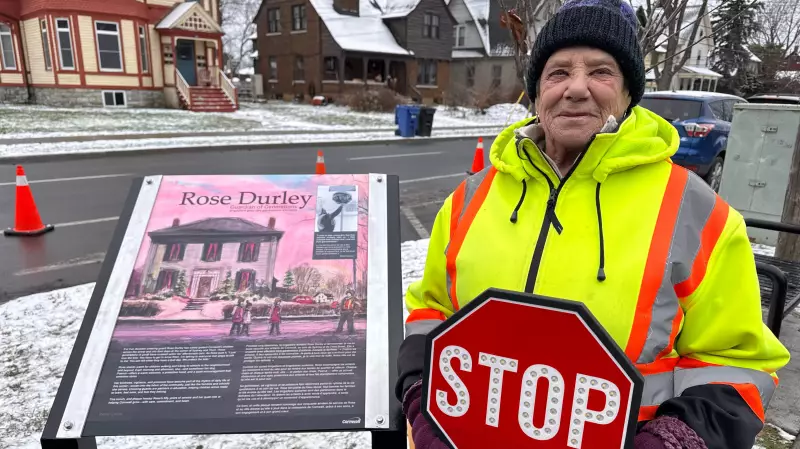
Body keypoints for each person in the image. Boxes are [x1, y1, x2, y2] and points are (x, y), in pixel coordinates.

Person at [396, 0, 790, 448]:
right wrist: (423, 402)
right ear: (537, 90)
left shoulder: (697, 214)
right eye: (558, 72)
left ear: (627, 92)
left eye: (601, 71)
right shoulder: (471, 197)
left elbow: (738, 365)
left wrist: (672, 440)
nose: (576, 89)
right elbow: (430, 313)